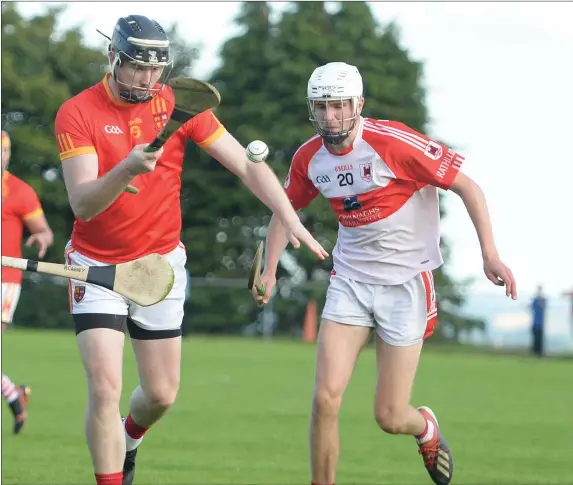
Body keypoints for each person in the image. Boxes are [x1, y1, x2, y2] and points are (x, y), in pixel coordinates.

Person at [53, 14, 328, 485]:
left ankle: (130, 439)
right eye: (137, 67)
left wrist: (287, 214)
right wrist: (126, 170)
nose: (147, 79)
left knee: (160, 394)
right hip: (96, 268)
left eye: (155, 69)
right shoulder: (77, 113)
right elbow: (84, 204)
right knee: (104, 389)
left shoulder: (178, 106)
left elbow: (245, 163)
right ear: (113, 58)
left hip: (160, 266)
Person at [253, 62, 517, 485]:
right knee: (325, 400)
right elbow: (284, 214)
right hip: (351, 282)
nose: (331, 116)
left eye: (339, 106)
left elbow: (468, 186)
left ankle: (425, 426)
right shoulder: (309, 158)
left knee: (391, 416)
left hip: (406, 285)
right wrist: (269, 271)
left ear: (358, 104)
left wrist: (490, 254)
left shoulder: (392, 142)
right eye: (322, 107)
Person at [1, 129, 54, 434]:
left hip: (4, 280)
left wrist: (41, 238)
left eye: (4, 152)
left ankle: (13, 397)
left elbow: (44, 230)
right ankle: (14, 394)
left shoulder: (20, 191)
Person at [530, 285, 547, 357]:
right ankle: (534, 352)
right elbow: (531, 307)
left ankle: (539, 353)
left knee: (540, 339)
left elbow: (543, 306)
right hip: (535, 323)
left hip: (540, 323)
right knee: (535, 339)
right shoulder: (535, 299)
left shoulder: (542, 300)